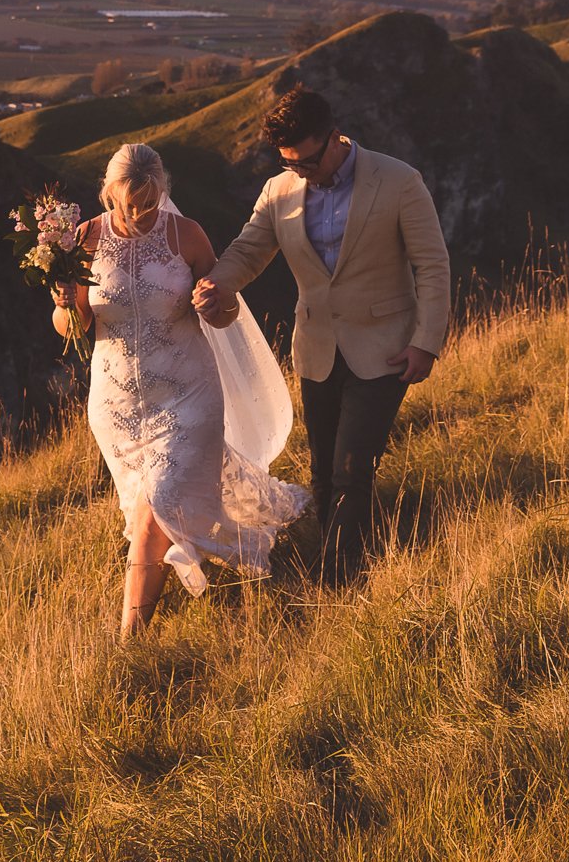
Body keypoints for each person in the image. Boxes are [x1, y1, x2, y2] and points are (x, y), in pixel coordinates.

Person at [192, 87, 451, 583]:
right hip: (316, 349)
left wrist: (426, 341)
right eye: (290, 163)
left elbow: (432, 265)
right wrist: (215, 285)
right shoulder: (279, 190)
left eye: (308, 160)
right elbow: (249, 252)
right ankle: (337, 555)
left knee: (353, 468)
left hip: (387, 347)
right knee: (324, 469)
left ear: (335, 137)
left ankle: (337, 577)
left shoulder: (398, 180)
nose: (300, 171)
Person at [55, 143, 310, 636]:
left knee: (159, 505)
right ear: (109, 193)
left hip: (187, 395)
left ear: (162, 192)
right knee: (143, 507)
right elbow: (74, 327)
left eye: (149, 203)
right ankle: (162, 592)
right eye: (130, 204)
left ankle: (130, 640)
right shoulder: (83, 239)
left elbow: (226, 309)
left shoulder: (187, 236)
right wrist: (64, 302)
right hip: (117, 405)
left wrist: (215, 305)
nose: (140, 214)